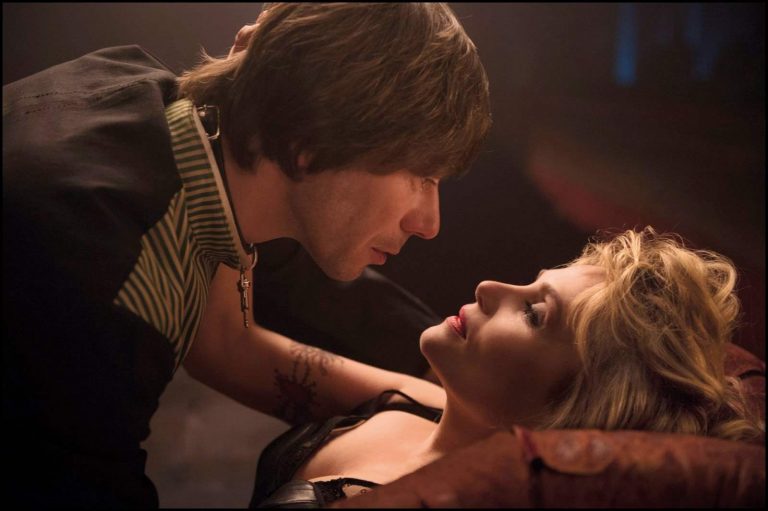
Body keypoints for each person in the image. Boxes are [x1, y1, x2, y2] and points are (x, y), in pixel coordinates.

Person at [2, 3, 491, 507]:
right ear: (311, 136)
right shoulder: (102, 267)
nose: (428, 223)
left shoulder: (141, 94)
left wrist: (455, 407)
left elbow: (225, 342)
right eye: (421, 176)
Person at [246, 227, 765, 508]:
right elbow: (233, 348)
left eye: (535, 314)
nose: (489, 287)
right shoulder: (426, 401)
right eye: (530, 283)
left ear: (573, 407)